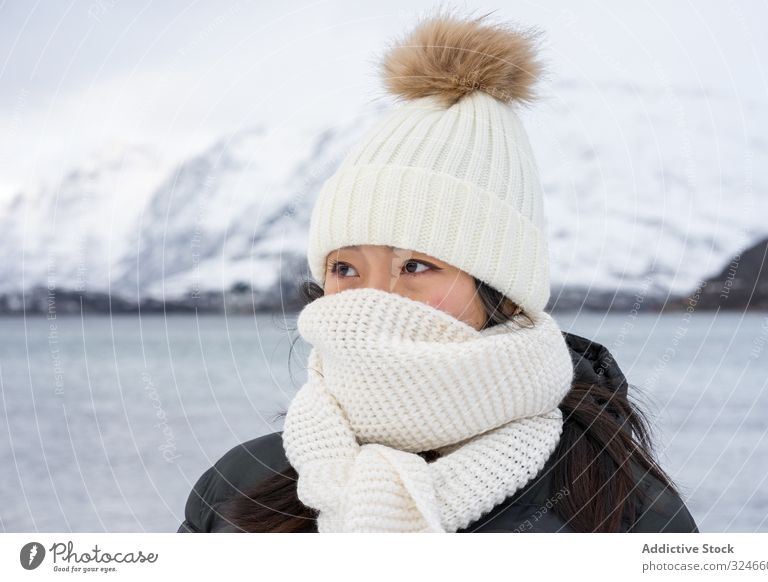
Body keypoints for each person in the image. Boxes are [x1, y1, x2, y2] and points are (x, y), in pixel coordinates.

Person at [178, 9, 699, 534]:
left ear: (507, 295)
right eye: (345, 268)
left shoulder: (622, 511)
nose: (375, 297)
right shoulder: (238, 486)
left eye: (417, 265)